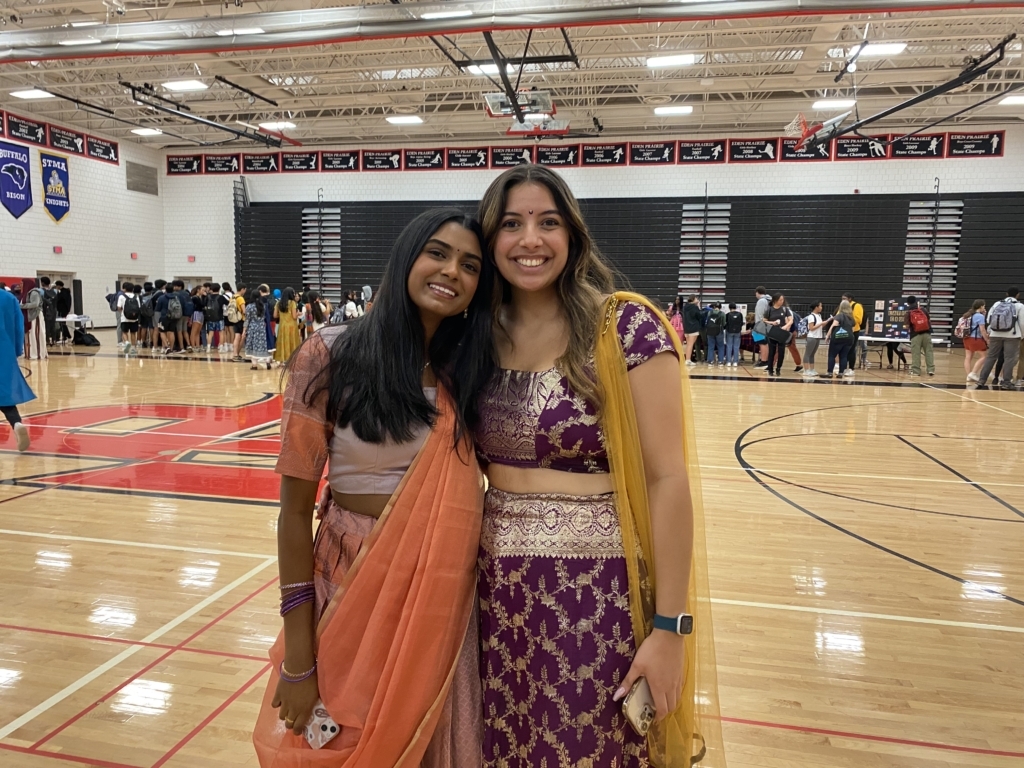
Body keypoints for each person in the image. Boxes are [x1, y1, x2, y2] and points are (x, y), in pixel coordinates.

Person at [474, 165, 721, 767]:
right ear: (489, 238)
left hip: (596, 599)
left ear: (573, 235)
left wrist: (671, 629)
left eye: (547, 222)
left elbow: (668, 480)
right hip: (491, 597)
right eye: (512, 223)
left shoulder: (625, 328)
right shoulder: (474, 336)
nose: (530, 239)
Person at [253, 208, 495, 766]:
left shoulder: (469, 369)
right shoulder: (331, 354)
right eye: (437, 253)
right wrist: (298, 661)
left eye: (470, 265)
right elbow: (293, 516)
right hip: (349, 585)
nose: (451, 271)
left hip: (442, 605)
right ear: (408, 255)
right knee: (344, 744)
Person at [1, 285, 34, 452]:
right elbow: (18, 325)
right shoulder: (8, 298)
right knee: (4, 394)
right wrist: (15, 350)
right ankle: (16, 423)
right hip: (4, 349)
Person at [976, 287, 1024, 389]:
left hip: (995, 334)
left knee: (991, 357)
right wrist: (1021, 335)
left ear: (1006, 294)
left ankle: (981, 380)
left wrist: (992, 331)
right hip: (1012, 335)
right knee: (1009, 359)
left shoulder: (997, 304)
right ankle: (1006, 382)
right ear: (1018, 295)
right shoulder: (1019, 306)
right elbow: (1022, 323)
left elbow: (989, 319)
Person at [904, 295, 935, 377]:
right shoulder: (923, 310)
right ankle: (931, 370)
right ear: (916, 301)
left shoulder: (908, 312)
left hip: (915, 335)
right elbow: (929, 320)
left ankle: (916, 371)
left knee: (916, 353)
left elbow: (906, 326)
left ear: (908, 303)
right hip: (927, 333)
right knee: (929, 351)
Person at [763, 292, 792, 377]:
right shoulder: (769, 310)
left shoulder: (785, 309)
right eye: (780, 300)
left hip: (781, 333)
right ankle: (770, 369)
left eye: (783, 299)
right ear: (775, 300)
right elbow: (764, 320)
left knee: (781, 352)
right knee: (771, 352)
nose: (782, 301)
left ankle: (778, 368)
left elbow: (791, 320)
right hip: (772, 333)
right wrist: (772, 322)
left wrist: (786, 326)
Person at [244, 285, 272, 369]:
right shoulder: (263, 306)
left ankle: (254, 365)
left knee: (253, 346)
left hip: (252, 328)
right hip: (261, 327)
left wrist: (244, 331)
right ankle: (267, 361)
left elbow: (247, 320)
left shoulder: (249, 306)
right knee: (263, 345)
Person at [826, 300, 856, 378]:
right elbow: (852, 330)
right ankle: (841, 373)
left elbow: (833, 326)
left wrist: (828, 336)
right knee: (844, 356)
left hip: (838, 338)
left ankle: (829, 372)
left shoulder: (839, 316)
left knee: (832, 355)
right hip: (849, 339)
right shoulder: (851, 318)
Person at [961, 300, 989, 382]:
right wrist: (987, 339)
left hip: (967, 338)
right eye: (984, 306)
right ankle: (973, 373)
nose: (984, 308)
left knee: (968, 357)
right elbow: (982, 330)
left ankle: (968, 376)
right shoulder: (980, 316)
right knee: (983, 357)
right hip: (976, 339)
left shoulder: (968, 314)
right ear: (980, 307)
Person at [273, 288, 302, 363]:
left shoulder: (278, 303)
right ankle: (291, 359)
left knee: (282, 342)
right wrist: (298, 314)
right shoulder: (292, 303)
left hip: (282, 326)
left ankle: (281, 360)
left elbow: (275, 315)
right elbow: (294, 316)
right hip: (292, 326)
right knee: (292, 342)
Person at [21, 280, 46, 360]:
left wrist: (20, 306)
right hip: (29, 316)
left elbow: (35, 304)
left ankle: (38, 353)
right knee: (30, 335)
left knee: (36, 335)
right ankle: (30, 353)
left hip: (35, 316)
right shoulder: (26, 293)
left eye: (22, 283)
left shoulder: (34, 292)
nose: (20, 285)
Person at [802, 301, 826, 378]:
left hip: (817, 337)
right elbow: (811, 328)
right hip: (812, 337)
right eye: (820, 306)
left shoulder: (819, 315)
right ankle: (806, 370)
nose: (821, 308)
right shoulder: (811, 316)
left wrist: (826, 322)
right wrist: (820, 324)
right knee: (808, 354)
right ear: (816, 307)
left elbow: (820, 326)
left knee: (812, 354)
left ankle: (812, 369)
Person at [116, 282, 141, 357]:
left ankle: (127, 342)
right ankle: (133, 349)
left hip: (125, 318)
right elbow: (139, 307)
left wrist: (123, 312)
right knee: (133, 333)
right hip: (134, 318)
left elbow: (119, 307)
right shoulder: (136, 296)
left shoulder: (121, 296)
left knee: (124, 332)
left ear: (124, 289)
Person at [204, 283, 228, 353]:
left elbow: (204, 305)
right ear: (219, 289)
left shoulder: (208, 297)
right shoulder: (221, 297)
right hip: (219, 317)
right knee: (221, 332)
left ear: (211, 289)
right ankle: (221, 348)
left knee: (210, 333)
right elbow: (227, 303)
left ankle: (208, 348)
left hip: (210, 318)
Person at [843, 293, 865, 370]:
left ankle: (851, 368)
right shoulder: (842, 306)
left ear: (850, 299)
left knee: (851, 349)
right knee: (843, 350)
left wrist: (846, 320)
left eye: (844, 299)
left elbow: (858, 320)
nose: (842, 300)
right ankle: (843, 367)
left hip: (854, 330)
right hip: (843, 331)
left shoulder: (857, 306)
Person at [752, 286, 769, 368]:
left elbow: (760, 314)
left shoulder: (761, 301)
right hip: (766, 324)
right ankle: (765, 360)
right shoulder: (768, 299)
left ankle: (764, 361)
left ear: (757, 292)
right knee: (764, 343)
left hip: (761, 324)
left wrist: (758, 325)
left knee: (762, 343)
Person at [38, 276, 59, 347]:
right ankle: (54, 340)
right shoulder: (55, 291)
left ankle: (47, 340)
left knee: (46, 325)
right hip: (54, 310)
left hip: (45, 310)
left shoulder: (41, 291)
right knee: (53, 325)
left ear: (42, 283)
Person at [681, 295, 701, 366]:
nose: (697, 299)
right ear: (693, 299)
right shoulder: (695, 307)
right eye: (696, 298)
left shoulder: (685, 307)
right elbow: (699, 316)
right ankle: (688, 360)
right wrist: (698, 306)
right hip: (694, 327)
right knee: (690, 344)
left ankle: (687, 359)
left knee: (688, 344)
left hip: (686, 328)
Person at [231, 285, 248, 361]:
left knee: (237, 336)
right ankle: (236, 353)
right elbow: (244, 311)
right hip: (241, 319)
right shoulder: (240, 298)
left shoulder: (232, 297)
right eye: (245, 290)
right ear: (242, 289)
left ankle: (235, 354)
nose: (245, 291)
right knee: (242, 337)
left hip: (234, 319)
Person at [724, 302, 743, 368]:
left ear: (729, 308)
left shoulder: (727, 315)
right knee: (736, 347)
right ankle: (735, 362)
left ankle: (728, 362)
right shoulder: (740, 314)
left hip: (729, 331)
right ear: (735, 307)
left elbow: (725, 324)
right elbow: (741, 323)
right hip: (737, 331)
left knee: (729, 346)